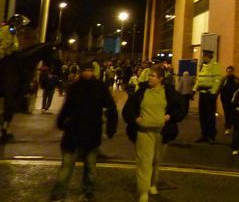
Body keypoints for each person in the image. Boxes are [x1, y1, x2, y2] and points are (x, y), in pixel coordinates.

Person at [50, 59, 118, 202]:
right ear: (81, 72)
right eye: (85, 70)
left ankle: (87, 191)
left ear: (93, 71)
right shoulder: (76, 87)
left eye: (89, 70)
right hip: (75, 131)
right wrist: (61, 121)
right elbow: (67, 107)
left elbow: (111, 108)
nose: (87, 73)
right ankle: (59, 192)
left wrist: (111, 127)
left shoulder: (99, 87)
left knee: (90, 167)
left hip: (89, 131)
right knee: (67, 165)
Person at [123, 64, 185, 202]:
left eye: (153, 75)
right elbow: (129, 108)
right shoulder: (142, 91)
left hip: (161, 132)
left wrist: (170, 117)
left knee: (156, 161)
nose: (149, 77)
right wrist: (136, 118)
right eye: (149, 75)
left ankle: (153, 183)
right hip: (143, 131)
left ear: (161, 78)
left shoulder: (168, 92)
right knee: (144, 162)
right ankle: (143, 191)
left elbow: (180, 107)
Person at [193, 49, 221, 144]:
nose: (203, 57)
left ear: (208, 56)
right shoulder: (203, 66)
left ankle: (211, 135)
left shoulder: (215, 66)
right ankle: (204, 134)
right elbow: (199, 79)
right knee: (202, 116)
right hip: (203, 94)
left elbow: (217, 80)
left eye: (204, 56)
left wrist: (213, 93)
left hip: (210, 95)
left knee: (210, 116)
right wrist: (194, 90)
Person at [219, 65, 239, 135]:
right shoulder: (224, 79)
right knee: (227, 113)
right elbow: (220, 88)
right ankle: (227, 128)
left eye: (230, 71)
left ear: (233, 72)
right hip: (225, 100)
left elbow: (238, 89)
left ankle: (233, 126)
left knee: (233, 113)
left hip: (234, 100)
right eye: (228, 71)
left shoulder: (236, 79)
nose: (229, 73)